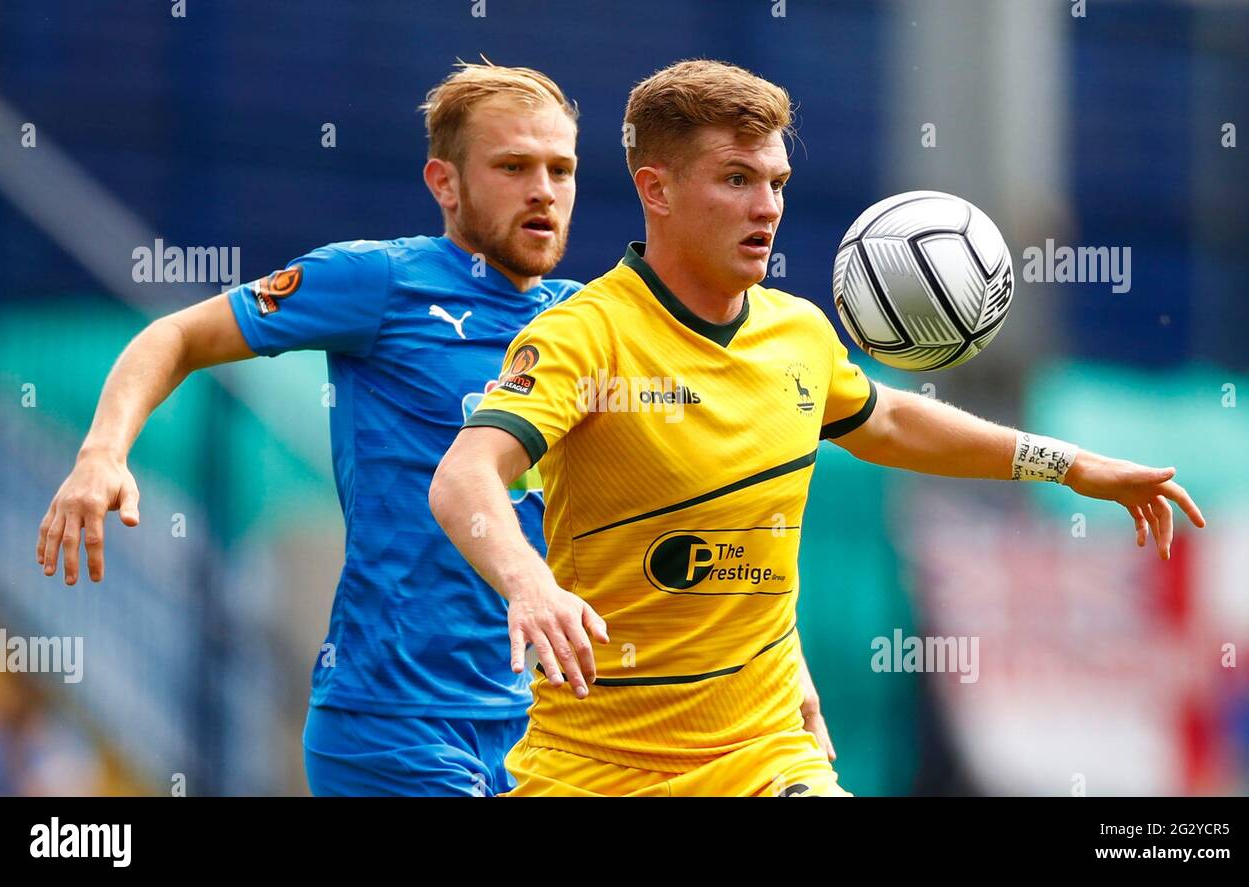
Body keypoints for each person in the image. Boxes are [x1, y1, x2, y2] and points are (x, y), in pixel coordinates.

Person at [427, 59, 1206, 796]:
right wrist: (529, 583)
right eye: (736, 180)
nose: (766, 207)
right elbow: (465, 475)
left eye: (776, 182)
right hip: (595, 767)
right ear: (655, 189)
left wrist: (1064, 463)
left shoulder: (797, 333)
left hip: (765, 757)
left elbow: (891, 419)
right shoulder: (582, 336)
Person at [36, 60, 583, 796]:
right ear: (444, 184)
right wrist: (103, 452)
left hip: (542, 725)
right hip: (392, 722)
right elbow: (176, 336)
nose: (543, 189)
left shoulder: (586, 323)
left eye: (561, 168)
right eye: (513, 166)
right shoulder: (377, 282)